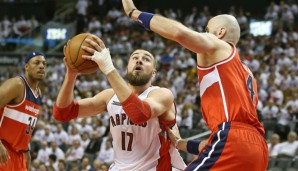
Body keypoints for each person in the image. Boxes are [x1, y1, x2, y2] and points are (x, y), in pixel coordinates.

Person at [121, 1, 269, 170]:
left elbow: (179, 32)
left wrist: (134, 13)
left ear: (220, 32)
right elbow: (222, 140)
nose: (203, 34)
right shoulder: (245, 72)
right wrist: (181, 143)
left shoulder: (219, 46)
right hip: (258, 150)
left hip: (233, 140)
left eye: (206, 30)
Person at [53, 35, 186, 171]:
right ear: (127, 68)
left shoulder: (162, 94)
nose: (139, 60)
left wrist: (109, 68)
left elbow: (139, 114)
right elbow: (63, 113)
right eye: (135, 58)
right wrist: (71, 74)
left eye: (146, 59)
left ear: (153, 73)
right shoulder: (110, 96)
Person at [0, 52, 47, 170]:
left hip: (19, 154)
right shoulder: (17, 84)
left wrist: (26, 150)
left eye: (44, 64)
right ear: (26, 67)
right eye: (36, 63)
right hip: (3, 149)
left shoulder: (38, 93)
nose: (41, 66)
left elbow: (25, 126)